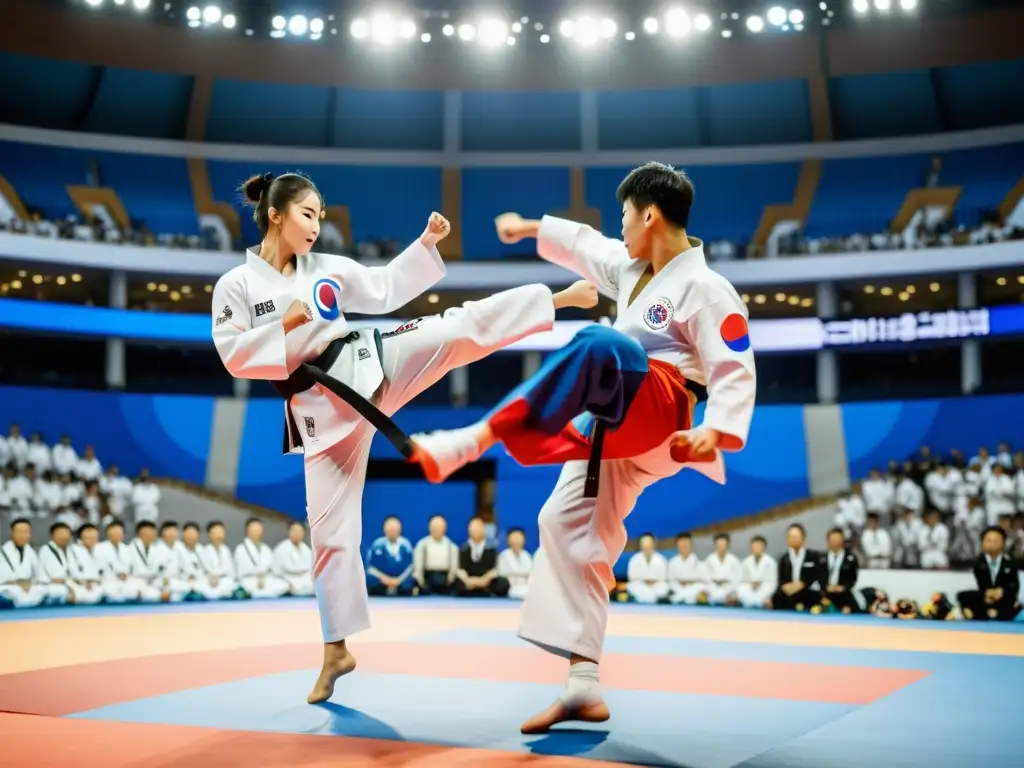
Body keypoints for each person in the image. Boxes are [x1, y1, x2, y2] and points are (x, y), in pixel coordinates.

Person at [210, 171, 596, 706]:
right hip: (321, 414)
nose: (317, 226)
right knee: (329, 536)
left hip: (368, 364)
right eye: (307, 214)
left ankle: (556, 300)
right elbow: (231, 354)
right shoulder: (238, 285)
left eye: (321, 215)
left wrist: (426, 245)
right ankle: (335, 650)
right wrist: (284, 325)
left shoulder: (327, 269)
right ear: (275, 214)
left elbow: (386, 288)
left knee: (454, 329)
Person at [411, 162, 756, 733]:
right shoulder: (630, 270)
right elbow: (583, 245)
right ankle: (582, 683)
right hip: (614, 430)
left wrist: (717, 430)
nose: (620, 227)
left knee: (599, 341)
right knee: (565, 524)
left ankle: (471, 441)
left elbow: (734, 363)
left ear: (649, 213)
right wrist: (526, 228)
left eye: (624, 214)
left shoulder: (708, 287)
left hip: (664, 410)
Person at [957, 526, 1020, 621]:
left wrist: (1002, 592)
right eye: (989, 540)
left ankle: (995, 613)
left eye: (996, 541)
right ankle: (987, 612)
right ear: (982, 543)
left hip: (1002, 599)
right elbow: (974, 586)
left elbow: (1014, 585)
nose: (992, 544)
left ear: (1003, 543)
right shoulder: (977, 563)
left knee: (1013, 603)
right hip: (983, 599)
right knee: (964, 596)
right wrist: (985, 593)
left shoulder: (1010, 563)